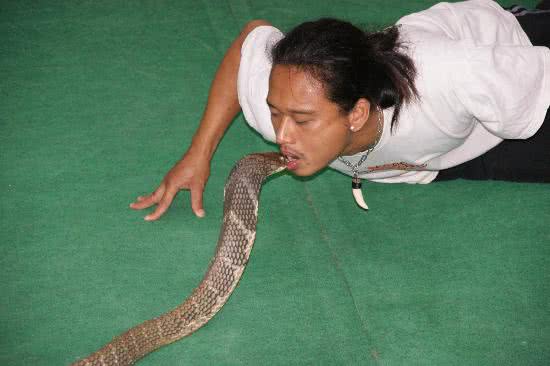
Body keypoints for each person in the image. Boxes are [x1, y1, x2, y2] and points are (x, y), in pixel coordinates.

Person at [130, 0, 550, 220]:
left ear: (356, 113)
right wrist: (197, 153)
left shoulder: (451, 75)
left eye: (302, 120)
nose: (283, 135)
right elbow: (249, 39)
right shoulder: (286, 101)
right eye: (277, 113)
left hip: (510, 58)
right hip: (437, 156)